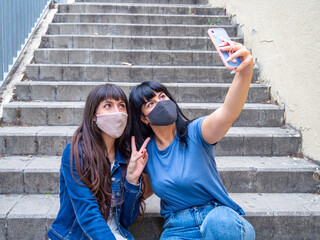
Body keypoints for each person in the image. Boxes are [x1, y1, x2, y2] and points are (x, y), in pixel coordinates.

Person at [129, 41, 256, 239]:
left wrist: (245, 71)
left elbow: (228, 113)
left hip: (218, 218)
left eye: (162, 96)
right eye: (151, 103)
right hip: (178, 228)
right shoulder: (147, 153)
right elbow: (144, 192)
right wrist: (131, 177)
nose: (161, 103)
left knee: (220, 224)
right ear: (143, 118)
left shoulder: (196, 132)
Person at [47, 84, 150, 240]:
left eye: (122, 106)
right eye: (108, 105)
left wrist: (131, 180)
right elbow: (87, 213)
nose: (118, 112)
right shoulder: (75, 152)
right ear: (94, 115)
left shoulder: (127, 155)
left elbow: (127, 219)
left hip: (116, 234)